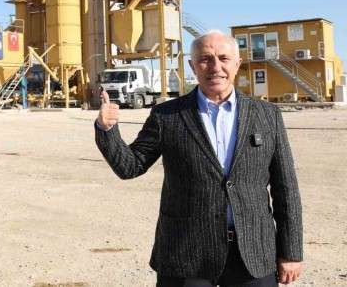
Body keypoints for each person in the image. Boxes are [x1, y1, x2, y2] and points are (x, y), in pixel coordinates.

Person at [95, 30, 303, 286]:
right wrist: (107, 130)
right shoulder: (166, 115)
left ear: (237, 64)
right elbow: (130, 166)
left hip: (252, 252)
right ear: (193, 66)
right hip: (186, 252)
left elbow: (286, 187)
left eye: (224, 58)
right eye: (205, 59)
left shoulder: (267, 115)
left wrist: (291, 252)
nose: (216, 67)